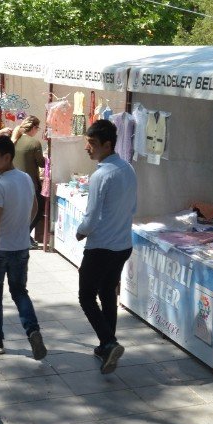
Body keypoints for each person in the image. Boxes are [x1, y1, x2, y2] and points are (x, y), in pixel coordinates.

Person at [76, 119, 137, 375]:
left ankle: (109, 342)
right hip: (122, 244)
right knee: (107, 292)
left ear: (108, 144)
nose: (87, 148)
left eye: (92, 144)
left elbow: (91, 217)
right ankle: (106, 345)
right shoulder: (127, 169)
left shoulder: (102, 175)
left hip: (101, 246)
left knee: (87, 296)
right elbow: (132, 207)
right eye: (87, 143)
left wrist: (81, 232)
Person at [0, 135, 47, 360]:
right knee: (20, 292)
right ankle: (33, 331)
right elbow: (35, 207)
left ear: (7, 157)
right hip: (21, 248)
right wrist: (22, 229)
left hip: (0, 250)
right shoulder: (26, 178)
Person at [11, 116, 46, 248]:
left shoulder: (15, 139)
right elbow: (41, 164)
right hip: (29, 183)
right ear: (33, 127)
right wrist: (47, 160)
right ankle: (24, 235)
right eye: (38, 128)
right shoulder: (34, 143)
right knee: (38, 209)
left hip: (15, 182)